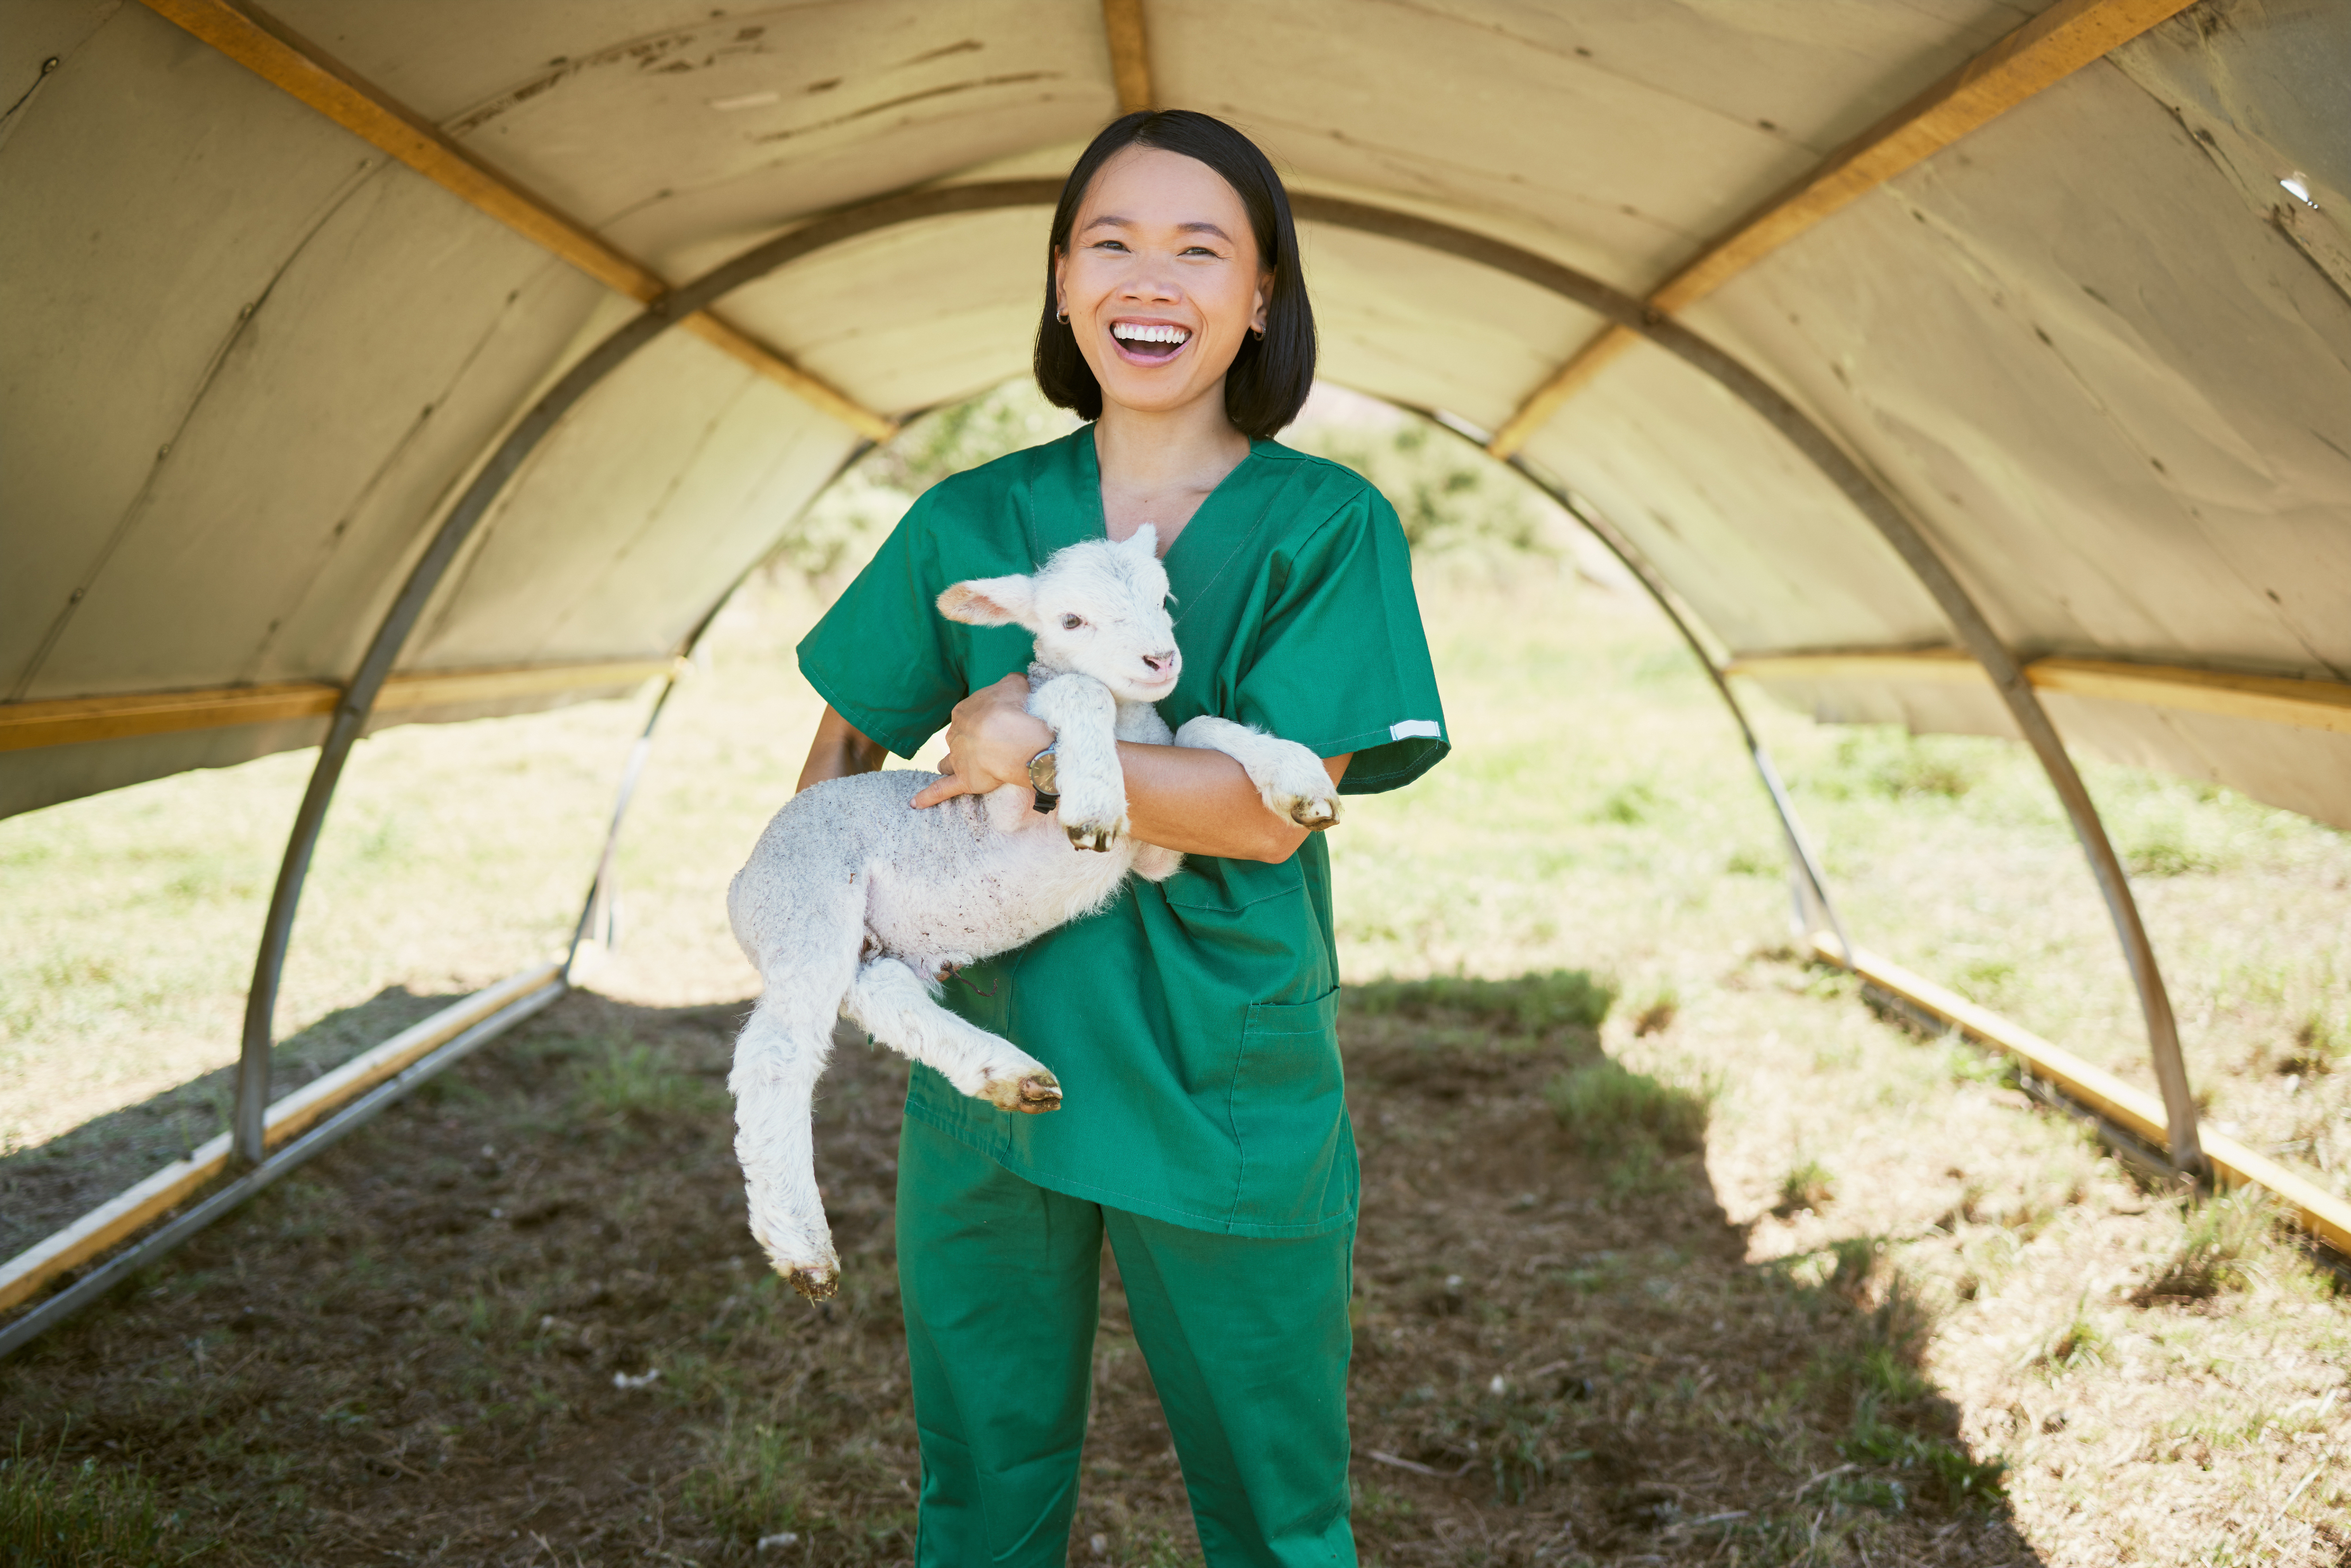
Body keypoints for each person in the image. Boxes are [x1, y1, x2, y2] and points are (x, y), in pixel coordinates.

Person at [793, 109, 1448, 1567]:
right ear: (1058, 278)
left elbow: (1267, 817)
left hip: (1217, 1071)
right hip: (996, 1070)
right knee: (979, 1493)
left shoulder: (1327, 527)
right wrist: (827, 909)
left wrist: (1029, 735)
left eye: (1199, 249)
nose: (1151, 280)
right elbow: (845, 747)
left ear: (1262, 295)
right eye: (1112, 243)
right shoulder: (974, 516)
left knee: (1278, 1512)